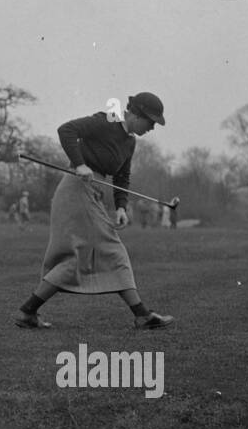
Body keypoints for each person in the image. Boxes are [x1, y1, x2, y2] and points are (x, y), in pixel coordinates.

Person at [14, 92, 175, 331]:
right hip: (76, 190)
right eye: (150, 121)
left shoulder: (130, 142)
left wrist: (121, 206)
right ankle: (141, 314)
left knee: (77, 258)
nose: (152, 127)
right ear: (136, 114)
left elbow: (122, 176)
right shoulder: (106, 121)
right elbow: (66, 130)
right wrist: (79, 163)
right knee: (111, 249)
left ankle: (28, 311)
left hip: (92, 193)